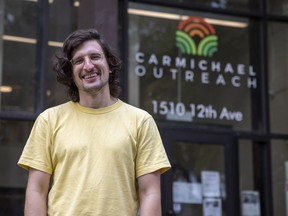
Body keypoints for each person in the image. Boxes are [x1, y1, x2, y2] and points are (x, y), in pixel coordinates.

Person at [18, 28, 171, 216]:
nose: (88, 66)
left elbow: (150, 193)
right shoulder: (49, 120)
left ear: (109, 64)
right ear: (71, 73)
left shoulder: (140, 121)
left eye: (95, 57)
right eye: (79, 61)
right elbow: (36, 190)